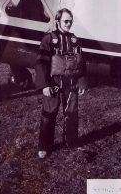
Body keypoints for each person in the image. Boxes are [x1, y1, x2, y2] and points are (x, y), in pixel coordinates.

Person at [35, 8, 87, 158]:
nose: (69, 24)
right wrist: (44, 85)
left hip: (71, 83)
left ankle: (71, 142)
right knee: (49, 114)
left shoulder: (75, 40)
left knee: (71, 113)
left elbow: (81, 63)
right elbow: (40, 63)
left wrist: (82, 82)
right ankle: (44, 146)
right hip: (53, 83)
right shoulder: (48, 39)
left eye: (71, 21)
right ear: (57, 21)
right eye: (66, 21)